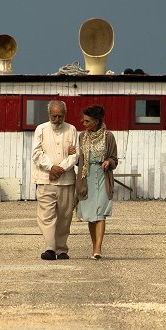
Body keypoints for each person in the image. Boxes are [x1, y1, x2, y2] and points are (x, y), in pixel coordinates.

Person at [31, 100, 79, 260]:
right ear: (48, 114)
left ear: (65, 114)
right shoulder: (41, 129)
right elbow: (36, 153)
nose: (57, 119)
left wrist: (60, 169)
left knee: (65, 216)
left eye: (60, 116)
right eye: (54, 116)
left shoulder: (71, 129)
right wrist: (51, 167)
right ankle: (50, 248)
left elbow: (75, 154)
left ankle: (61, 249)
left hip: (66, 181)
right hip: (45, 179)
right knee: (46, 216)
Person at [75, 105, 118, 260]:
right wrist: (72, 154)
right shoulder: (81, 137)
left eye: (87, 121)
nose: (83, 123)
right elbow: (79, 161)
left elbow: (114, 159)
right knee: (90, 215)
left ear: (96, 121)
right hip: (86, 178)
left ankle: (98, 249)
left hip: (102, 177)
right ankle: (94, 245)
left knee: (100, 214)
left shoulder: (109, 137)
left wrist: (108, 162)